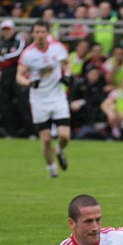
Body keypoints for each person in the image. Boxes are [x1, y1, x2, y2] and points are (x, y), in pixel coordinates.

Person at [16, 20, 72, 178]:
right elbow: (19, 76)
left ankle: (60, 150)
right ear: (32, 34)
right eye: (37, 32)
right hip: (39, 100)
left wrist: (67, 75)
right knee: (46, 139)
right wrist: (29, 82)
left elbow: (67, 63)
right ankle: (52, 170)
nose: (40, 35)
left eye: (43, 32)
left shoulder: (57, 48)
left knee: (64, 136)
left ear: (47, 33)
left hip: (57, 96)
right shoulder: (28, 54)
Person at [0, 19, 36, 138]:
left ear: (13, 29)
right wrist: (5, 59)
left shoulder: (19, 40)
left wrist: (5, 58)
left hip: (17, 72)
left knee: (23, 104)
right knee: (5, 104)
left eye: (8, 29)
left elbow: (18, 54)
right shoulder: (1, 42)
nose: (6, 32)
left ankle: (31, 132)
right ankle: (10, 132)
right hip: (5, 74)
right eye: (4, 30)